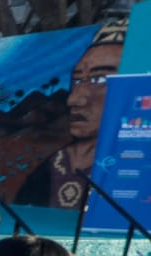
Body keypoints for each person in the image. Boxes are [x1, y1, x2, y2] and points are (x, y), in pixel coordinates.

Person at [16, 20, 125, 208]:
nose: (74, 100)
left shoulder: (134, 166)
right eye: (77, 80)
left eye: (99, 79)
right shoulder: (51, 168)